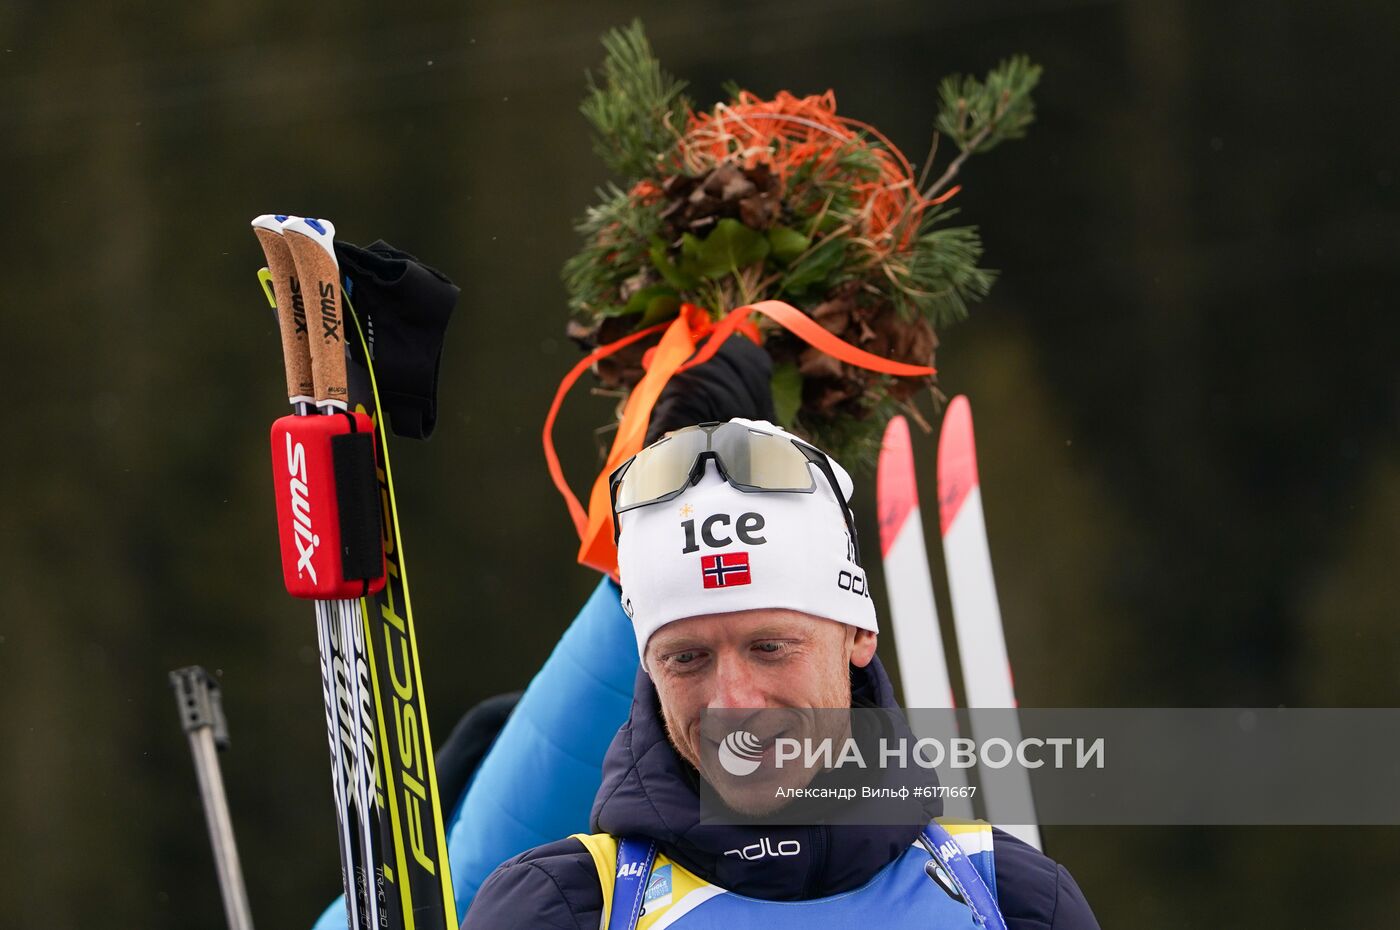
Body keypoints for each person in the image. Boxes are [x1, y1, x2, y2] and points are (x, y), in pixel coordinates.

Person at [462, 417, 1100, 929]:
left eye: (770, 646)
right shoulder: (562, 907)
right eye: (687, 658)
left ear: (857, 633)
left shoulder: (1015, 900)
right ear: (649, 667)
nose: (734, 702)